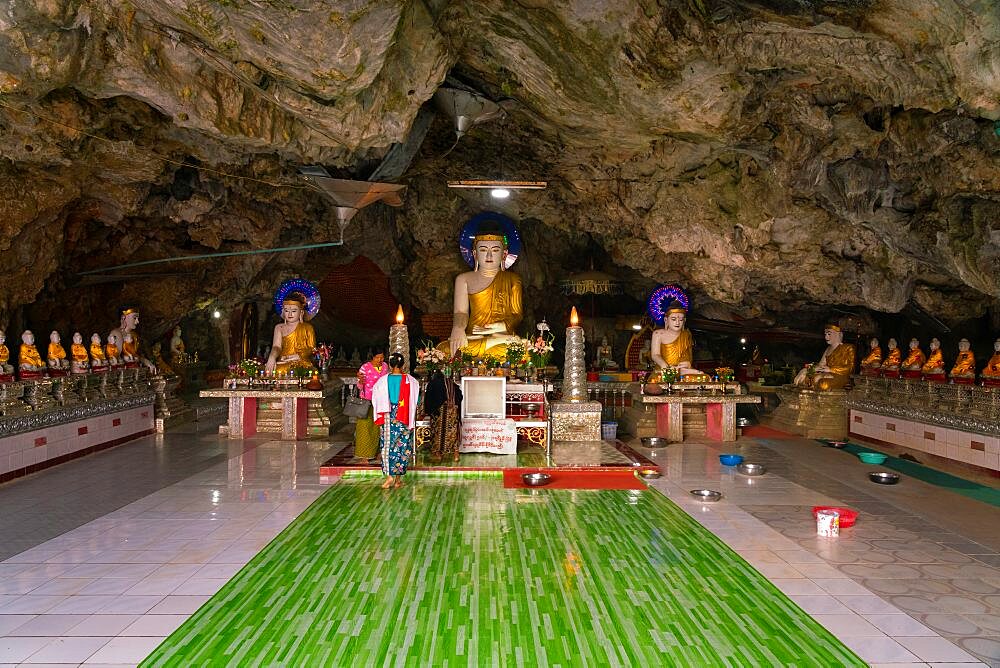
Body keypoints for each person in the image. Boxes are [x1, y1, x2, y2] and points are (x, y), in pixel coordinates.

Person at [446, 227, 523, 358]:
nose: (489, 256)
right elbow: (461, 312)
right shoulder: (463, 279)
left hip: (501, 334)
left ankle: (498, 341)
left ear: (504, 254)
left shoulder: (513, 279)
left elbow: (517, 314)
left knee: (519, 349)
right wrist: (458, 329)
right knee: (445, 350)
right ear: (475, 254)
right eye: (483, 250)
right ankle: (494, 342)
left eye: (495, 250)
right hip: (474, 336)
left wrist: (497, 327)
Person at [371, 352, 419, 489]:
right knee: (403, 446)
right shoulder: (411, 381)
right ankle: (398, 479)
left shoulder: (382, 381)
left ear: (390, 364)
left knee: (387, 445)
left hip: (388, 414)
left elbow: (375, 399)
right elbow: (417, 400)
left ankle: (389, 477)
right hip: (404, 415)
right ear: (403, 364)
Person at [793, 324, 856, 391]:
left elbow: (850, 368)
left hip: (841, 375)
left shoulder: (848, 347)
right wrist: (808, 370)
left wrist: (831, 369)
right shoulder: (828, 349)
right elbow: (821, 365)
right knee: (807, 378)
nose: (826, 337)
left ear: (838, 334)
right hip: (827, 374)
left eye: (829, 334)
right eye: (825, 334)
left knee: (823, 384)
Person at [265, 294, 316, 375]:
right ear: (283, 312)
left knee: (306, 370)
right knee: (275, 369)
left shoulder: (307, 327)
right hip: (284, 361)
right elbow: (276, 347)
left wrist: (298, 356)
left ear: (301, 312)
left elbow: (312, 348)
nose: (290, 314)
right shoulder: (279, 327)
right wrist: (272, 357)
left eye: (294, 311)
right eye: (286, 310)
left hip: (301, 361)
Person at [354, 349, 388, 464]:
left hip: (381, 402)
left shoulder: (385, 367)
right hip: (367, 401)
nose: (380, 360)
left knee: (380, 428)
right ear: (372, 357)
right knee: (365, 428)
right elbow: (359, 386)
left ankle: (378, 453)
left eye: (382, 357)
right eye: (377, 357)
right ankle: (364, 456)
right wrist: (360, 380)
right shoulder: (365, 367)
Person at [650, 300, 703, 375]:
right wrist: (664, 366)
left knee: (702, 376)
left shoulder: (686, 334)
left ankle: (681, 372)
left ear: (684, 320)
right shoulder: (658, 334)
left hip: (682, 369)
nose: (677, 322)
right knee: (659, 379)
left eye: (681, 320)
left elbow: (689, 355)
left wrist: (688, 363)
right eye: (673, 319)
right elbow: (655, 355)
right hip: (664, 369)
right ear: (666, 320)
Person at [424, 370, 463, 463]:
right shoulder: (451, 383)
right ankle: (456, 454)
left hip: (439, 412)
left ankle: (438, 454)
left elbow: (428, 399)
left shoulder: (432, 383)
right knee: (453, 433)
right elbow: (459, 396)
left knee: (438, 433)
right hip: (452, 412)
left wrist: (429, 411)